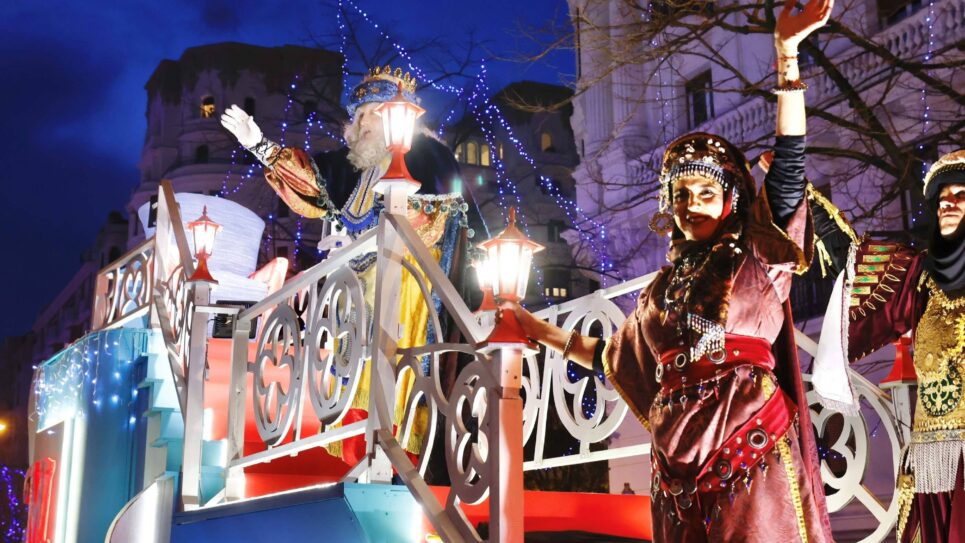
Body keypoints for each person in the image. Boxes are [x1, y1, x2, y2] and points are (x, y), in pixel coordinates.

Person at [503, 0, 835, 539]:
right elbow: (615, 357)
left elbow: (789, 167)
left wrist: (786, 56)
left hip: (745, 438)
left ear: (731, 199)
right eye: (680, 194)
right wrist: (536, 329)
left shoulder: (757, 254)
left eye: (705, 192)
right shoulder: (660, 291)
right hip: (672, 459)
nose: (690, 203)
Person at [220, 66, 477, 468]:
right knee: (355, 369)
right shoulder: (354, 165)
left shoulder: (430, 155)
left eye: (372, 113)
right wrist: (260, 145)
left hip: (410, 286)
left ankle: (401, 456)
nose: (361, 122)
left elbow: (444, 219)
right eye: (358, 115)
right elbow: (311, 181)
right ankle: (362, 455)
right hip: (357, 289)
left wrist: (403, 219)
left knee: (399, 369)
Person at [810, 149, 965, 542]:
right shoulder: (920, 277)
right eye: (942, 198)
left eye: (961, 195)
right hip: (935, 459)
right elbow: (857, 268)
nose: (947, 204)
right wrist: (809, 206)